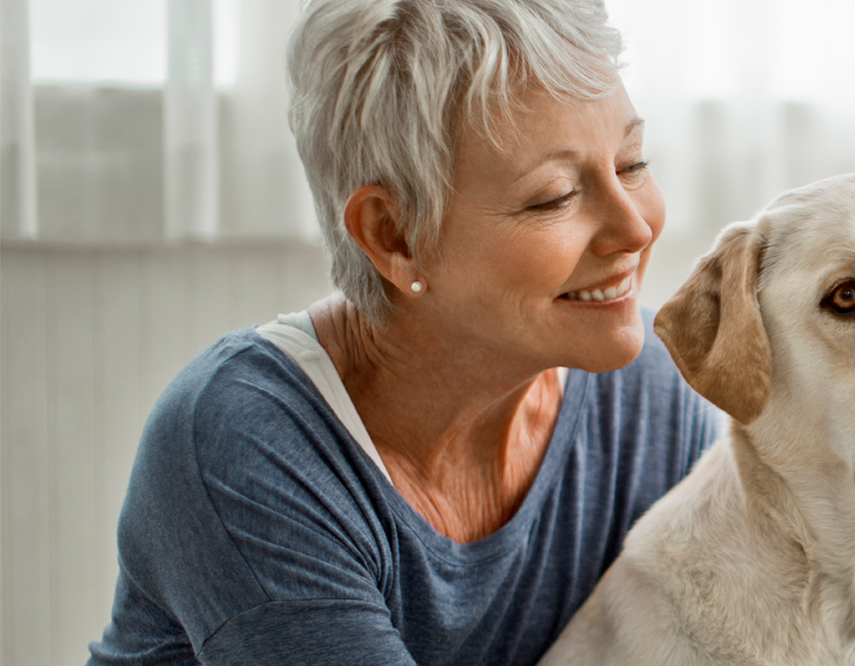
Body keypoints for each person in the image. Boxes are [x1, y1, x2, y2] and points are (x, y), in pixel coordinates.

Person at [87, 0, 719, 663]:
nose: (637, 228)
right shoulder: (248, 444)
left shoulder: (651, 394)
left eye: (632, 163)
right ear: (395, 236)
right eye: (555, 196)